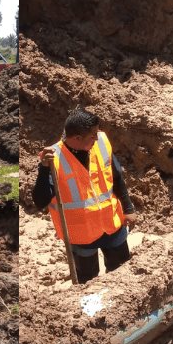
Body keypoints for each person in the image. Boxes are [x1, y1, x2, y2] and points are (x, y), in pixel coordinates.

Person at [33, 107, 137, 283]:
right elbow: (40, 201)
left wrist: (128, 208)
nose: (97, 138)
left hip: (112, 224)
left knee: (121, 271)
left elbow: (117, 176)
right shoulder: (53, 159)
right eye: (92, 136)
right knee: (87, 281)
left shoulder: (101, 142)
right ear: (77, 138)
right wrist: (44, 170)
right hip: (82, 234)